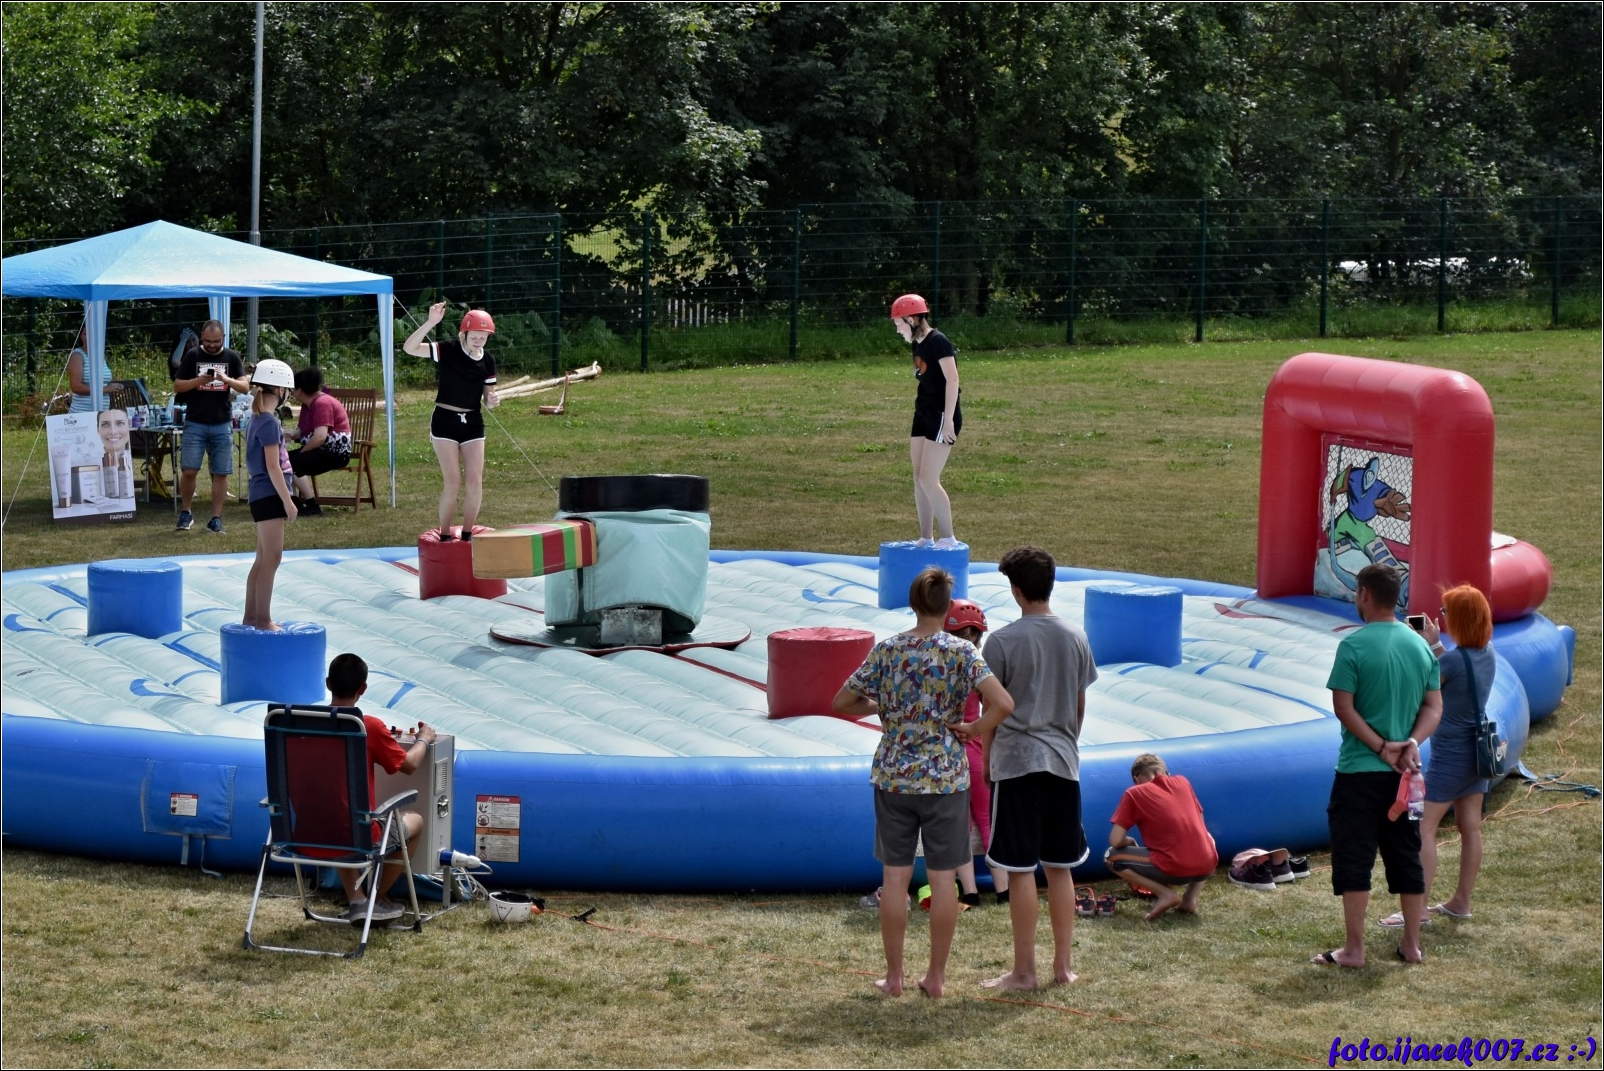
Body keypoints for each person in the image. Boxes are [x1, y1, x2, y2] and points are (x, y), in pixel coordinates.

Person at [833, 567, 1013, 997]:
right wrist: (972, 729)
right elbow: (1003, 703)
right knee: (944, 878)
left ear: (913, 603)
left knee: (895, 878)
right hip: (946, 778)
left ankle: (894, 976)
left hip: (894, 776)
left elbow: (842, 702)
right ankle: (935, 977)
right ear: (947, 608)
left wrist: (882, 705)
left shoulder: (888, 650)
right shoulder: (962, 652)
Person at [957, 545, 1098, 990]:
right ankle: (1063, 967)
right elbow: (1079, 704)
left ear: (1016, 590)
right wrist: (1066, 743)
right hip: (1062, 763)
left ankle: (1024, 971)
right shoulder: (1075, 636)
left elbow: (992, 710)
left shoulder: (1002, 641)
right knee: (1061, 867)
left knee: (1019, 870)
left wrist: (987, 761)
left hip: (1016, 764)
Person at [1314, 563, 1441, 967]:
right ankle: (1411, 944)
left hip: (1358, 772)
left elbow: (1344, 707)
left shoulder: (1353, 646)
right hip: (1407, 776)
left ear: (1365, 594)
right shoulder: (1420, 646)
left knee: (1355, 857)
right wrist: (1411, 743)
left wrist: (1382, 746)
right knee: (1407, 852)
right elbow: (1434, 706)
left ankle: (1354, 948)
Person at [1380, 584, 1495, 928]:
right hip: (1477, 757)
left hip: (1451, 759)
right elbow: (1456, 674)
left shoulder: (1453, 661)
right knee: (1470, 827)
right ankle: (1461, 901)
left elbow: (1421, 685)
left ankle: (1418, 909)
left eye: (1446, 613)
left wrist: (1420, 646)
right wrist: (1434, 645)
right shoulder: (1485, 653)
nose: (1441, 617)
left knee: (1422, 828)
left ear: (1459, 619)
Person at [325, 652, 437, 923]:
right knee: (415, 821)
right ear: (362, 689)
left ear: (328, 683)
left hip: (306, 829)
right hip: (356, 833)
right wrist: (423, 738)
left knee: (333, 813)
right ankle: (375, 898)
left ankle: (357, 899)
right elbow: (410, 765)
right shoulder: (368, 727)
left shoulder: (304, 722)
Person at [402, 302, 500, 541]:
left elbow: (488, 398)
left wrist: (492, 400)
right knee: (453, 481)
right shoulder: (448, 349)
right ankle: (445, 534)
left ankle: (467, 533)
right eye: (474, 336)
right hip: (445, 420)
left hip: (473, 421)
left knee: (475, 480)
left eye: (483, 337)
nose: (478, 341)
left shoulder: (488, 361)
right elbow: (409, 348)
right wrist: (431, 322)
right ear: (464, 334)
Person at [943, 598, 1010, 906]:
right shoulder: (977, 667)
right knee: (986, 820)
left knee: (959, 824)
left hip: (950, 752)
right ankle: (1003, 890)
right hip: (976, 747)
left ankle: (969, 891)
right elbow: (996, 706)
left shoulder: (938, 666)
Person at [1106, 753, 1218, 921]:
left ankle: (1166, 894)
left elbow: (1115, 840)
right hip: (1207, 866)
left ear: (1136, 779)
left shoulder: (1134, 793)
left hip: (1174, 868)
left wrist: (1129, 841)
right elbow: (1201, 826)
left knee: (1111, 856)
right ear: (1166, 772)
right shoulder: (1183, 782)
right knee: (1207, 838)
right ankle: (1190, 898)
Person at [890, 293, 962, 549]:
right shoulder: (917, 344)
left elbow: (953, 380)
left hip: (942, 414)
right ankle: (926, 537)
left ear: (911, 319)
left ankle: (948, 538)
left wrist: (949, 419)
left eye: (899, 323)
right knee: (918, 478)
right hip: (923, 413)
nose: (897, 329)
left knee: (929, 479)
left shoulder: (938, 342)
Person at [174, 319, 249, 533]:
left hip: (222, 422)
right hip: (195, 422)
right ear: (202, 337)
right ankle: (186, 512)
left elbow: (245, 387)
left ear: (223, 338)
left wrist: (226, 379)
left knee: (221, 472)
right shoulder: (193, 355)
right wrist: (199, 381)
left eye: (216, 341)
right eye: (207, 341)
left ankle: (216, 518)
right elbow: (177, 385)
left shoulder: (231, 357)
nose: (212, 345)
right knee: (189, 470)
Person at [242, 359, 298, 630]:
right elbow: (273, 467)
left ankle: (251, 616)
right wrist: (288, 501)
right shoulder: (269, 423)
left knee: (262, 559)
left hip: (260, 493)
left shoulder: (256, 420)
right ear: (281, 390)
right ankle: (263, 619)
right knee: (273, 558)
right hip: (270, 494)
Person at [287, 366, 352, 517]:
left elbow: (320, 437)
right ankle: (293, 503)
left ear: (300, 391)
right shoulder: (307, 405)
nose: (291, 392)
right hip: (320, 450)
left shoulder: (322, 403)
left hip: (335, 453)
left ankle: (312, 505)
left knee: (293, 462)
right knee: (284, 460)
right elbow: (302, 431)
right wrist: (289, 435)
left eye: (292, 389)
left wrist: (302, 452)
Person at [66, 324, 115, 414]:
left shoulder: (101, 355)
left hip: (102, 413)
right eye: (86, 334)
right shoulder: (77, 356)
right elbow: (76, 387)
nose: (89, 337)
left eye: (92, 334)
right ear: (81, 336)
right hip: (82, 413)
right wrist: (104, 390)